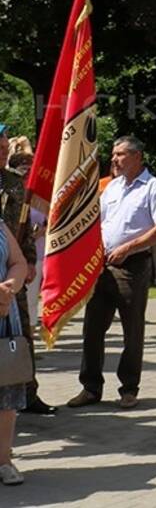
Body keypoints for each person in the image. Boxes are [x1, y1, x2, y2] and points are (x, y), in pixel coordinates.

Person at [68, 136, 156, 410]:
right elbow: (97, 224)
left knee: (132, 329)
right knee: (92, 328)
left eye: (120, 154)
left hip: (132, 267)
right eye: (113, 154)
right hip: (101, 267)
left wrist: (128, 247)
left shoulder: (153, 187)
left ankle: (128, 388)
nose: (114, 159)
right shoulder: (111, 188)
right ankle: (90, 387)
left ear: (138, 157)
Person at [0, 134, 52, 415]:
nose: (2, 154)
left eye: (5, 149)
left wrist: (29, 260)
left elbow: (24, 227)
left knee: (21, 333)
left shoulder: (14, 183)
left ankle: (27, 394)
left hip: (11, 268)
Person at [0, 218, 29, 485]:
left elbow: (18, 262)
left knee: (5, 398)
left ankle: (3, 461)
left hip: (3, 320)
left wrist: (9, 287)